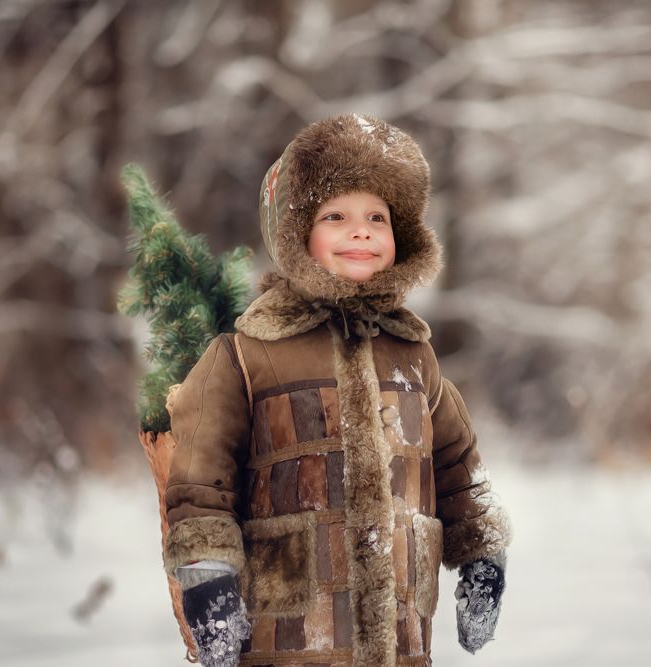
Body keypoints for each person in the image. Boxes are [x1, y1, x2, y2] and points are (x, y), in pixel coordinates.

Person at [163, 113, 511, 667]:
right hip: (289, 634)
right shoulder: (247, 355)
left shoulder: (415, 355)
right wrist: (209, 581)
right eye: (335, 216)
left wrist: (483, 557)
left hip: (402, 639)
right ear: (294, 234)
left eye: (377, 217)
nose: (361, 231)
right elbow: (200, 479)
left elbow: (457, 464)